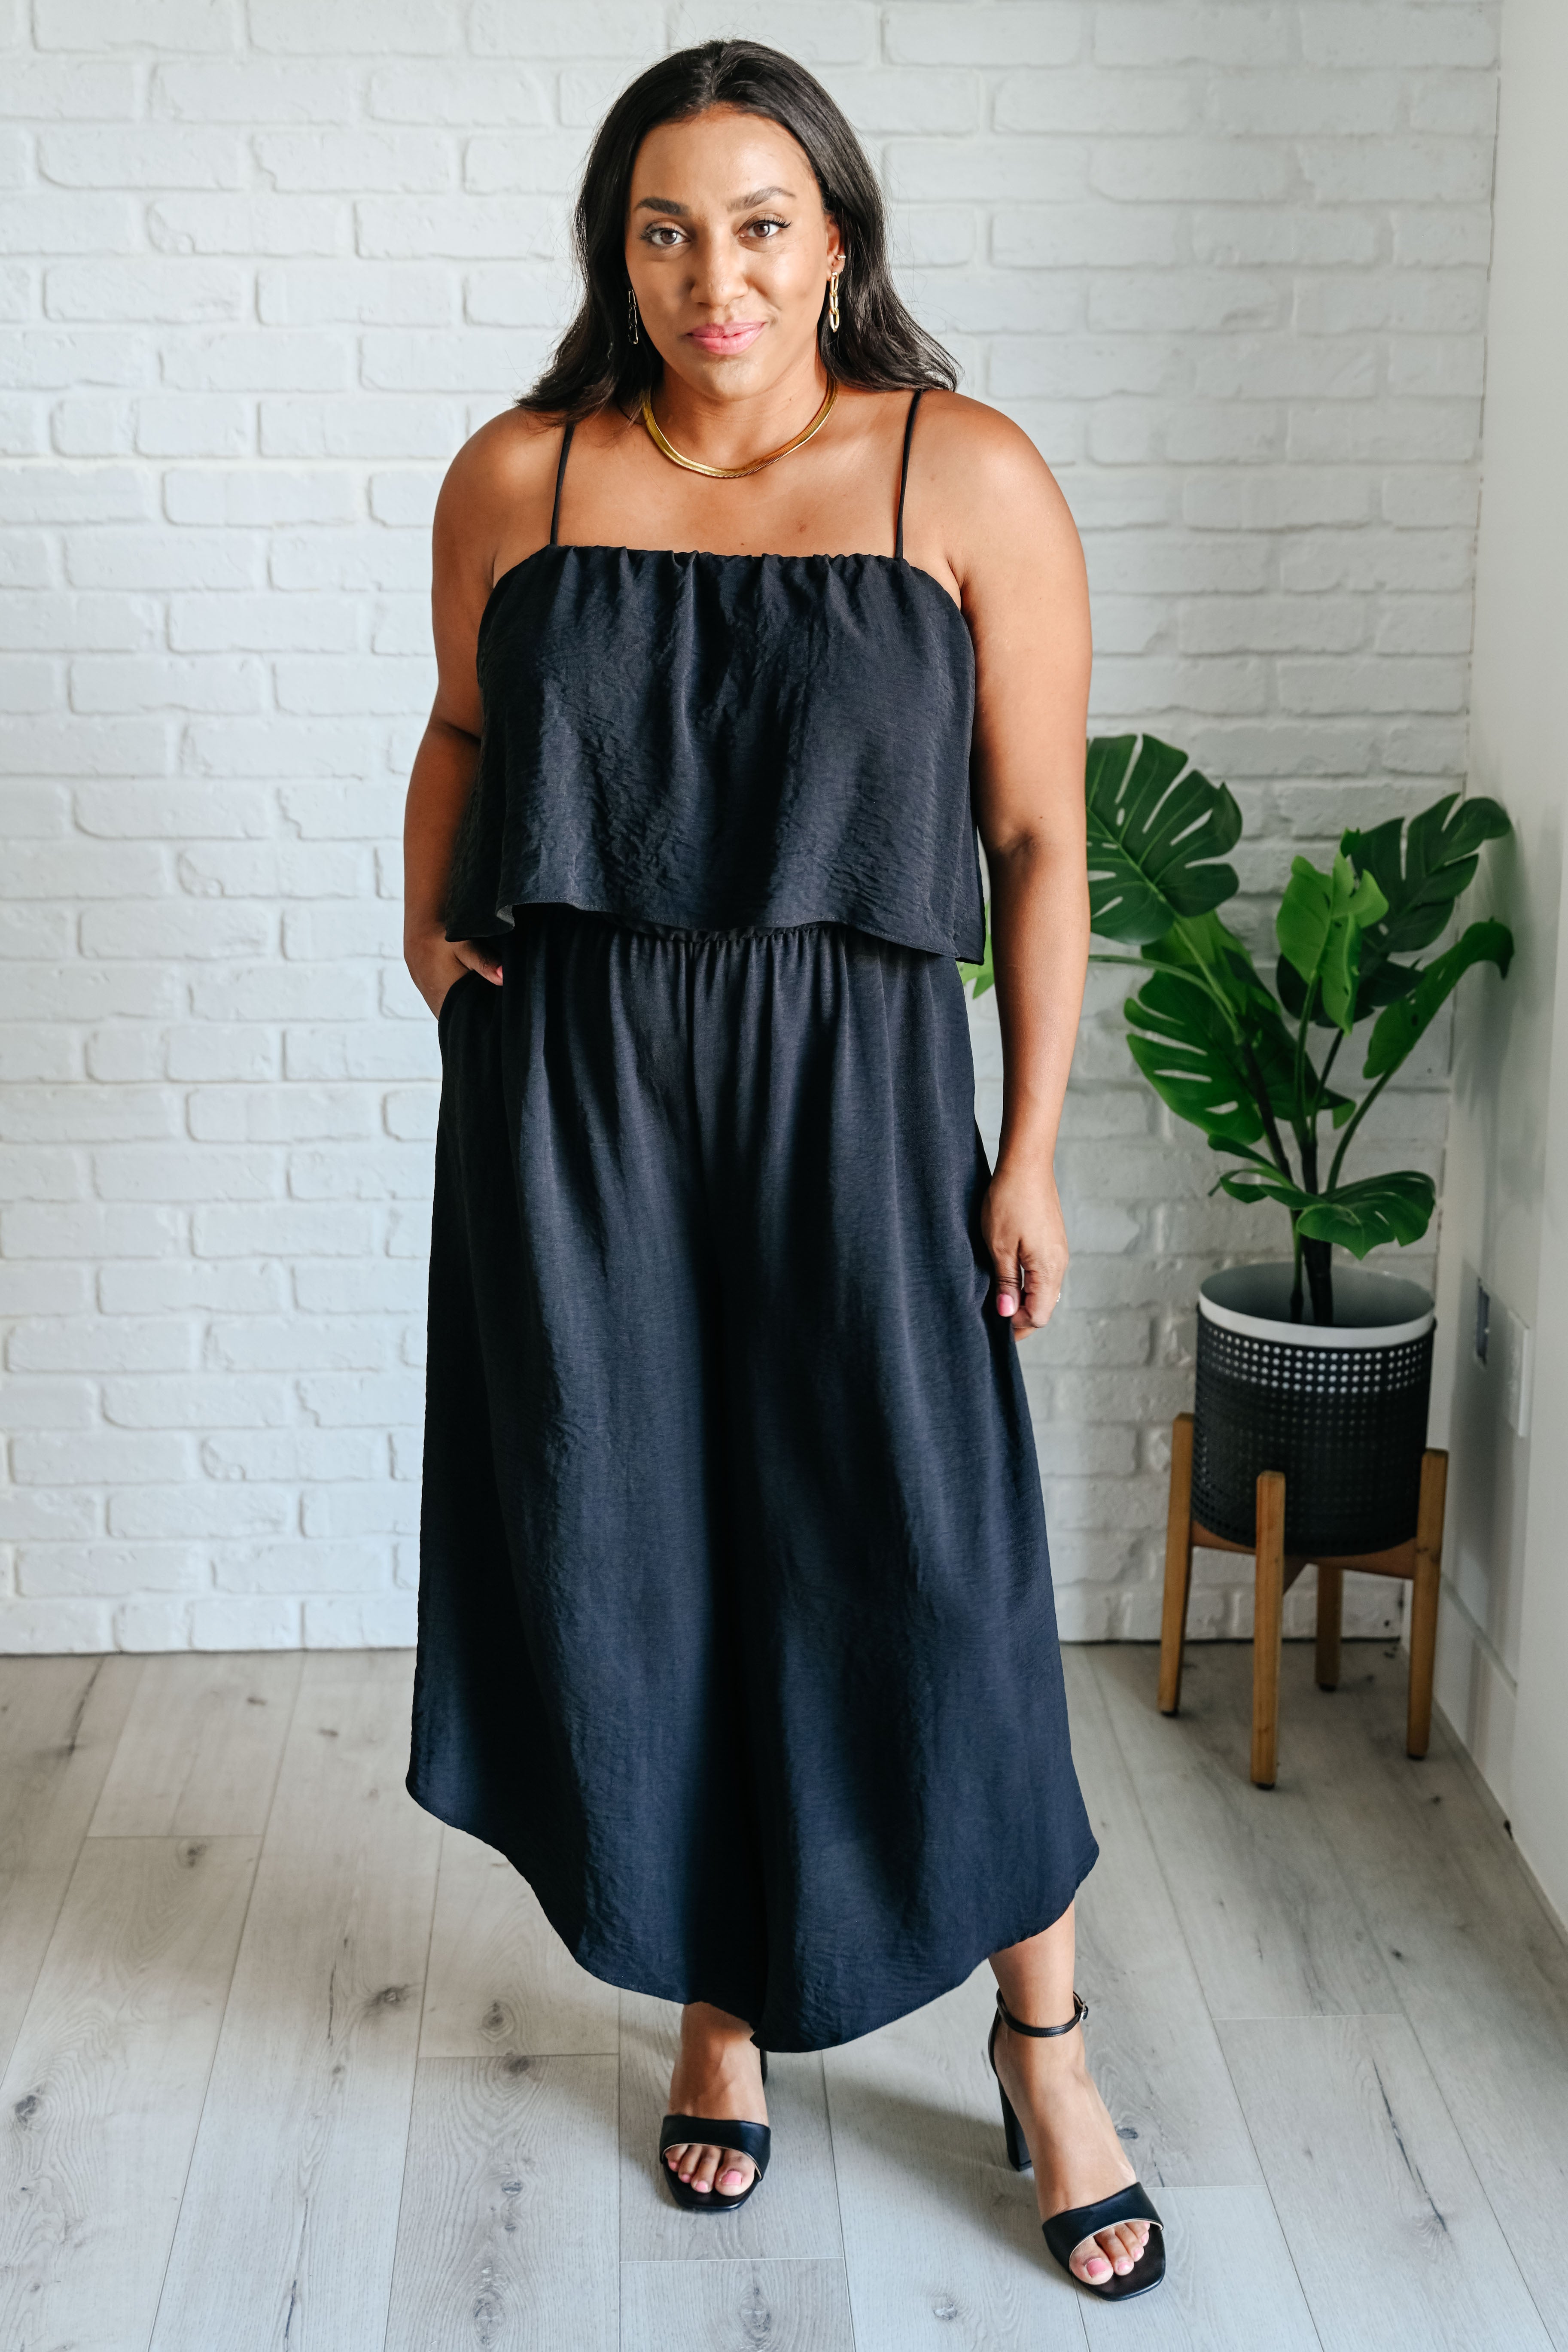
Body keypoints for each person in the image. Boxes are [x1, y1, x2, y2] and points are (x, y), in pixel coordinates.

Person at [401, 38, 1163, 2303]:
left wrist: (1019, 1149)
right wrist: (428, 939)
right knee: (641, 1551)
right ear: (611, 253)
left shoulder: (962, 475)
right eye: (662, 227)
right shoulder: (519, 476)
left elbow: (1038, 841)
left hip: (851, 1084)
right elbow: (457, 734)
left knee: (929, 1566)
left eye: (756, 222)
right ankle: (716, 2006)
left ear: (834, 238)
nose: (711, 272)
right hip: (577, 1090)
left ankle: (1045, 2045)